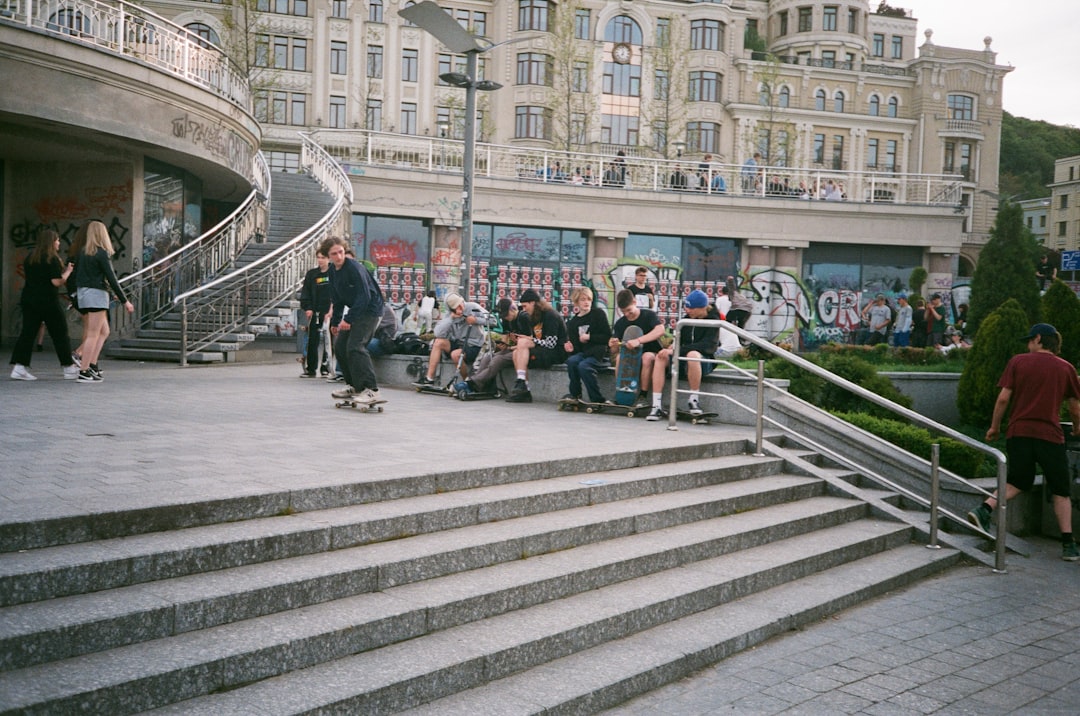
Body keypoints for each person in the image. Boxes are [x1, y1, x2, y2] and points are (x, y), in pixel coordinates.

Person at [968, 324, 1080, 562]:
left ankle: (985, 509)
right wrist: (1078, 428)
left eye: (1030, 340)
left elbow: (1003, 399)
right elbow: (1074, 407)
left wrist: (994, 427)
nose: (1028, 345)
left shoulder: (1018, 362)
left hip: (1019, 432)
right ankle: (1068, 545)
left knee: (1018, 480)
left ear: (1039, 339)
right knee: (1061, 490)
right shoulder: (1066, 368)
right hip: (1050, 435)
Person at [9, 230, 79, 381]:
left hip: (29, 299)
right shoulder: (51, 259)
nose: (59, 243)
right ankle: (68, 367)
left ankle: (19, 367)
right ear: (51, 242)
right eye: (57, 240)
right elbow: (56, 282)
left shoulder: (31, 258)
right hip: (48, 301)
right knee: (60, 333)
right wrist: (68, 272)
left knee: (28, 333)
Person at [324, 236, 385, 404]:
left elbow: (364, 296)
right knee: (340, 346)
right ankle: (353, 385)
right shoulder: (332, 272)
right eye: (334, 254)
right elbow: (337, 299)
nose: (339, 257)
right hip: (356, 310)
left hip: (371, 309)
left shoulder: (354, 268)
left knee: (356, 346)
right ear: (328, 256)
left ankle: (371, 390)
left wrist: (348, 319)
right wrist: (336, 322)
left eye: (341, 252)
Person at [74, 221, 134, 382]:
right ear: (103, 234)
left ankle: (92, 365)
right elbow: (112, 277)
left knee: (104, 331)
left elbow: (79, 276)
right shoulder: (101, 253)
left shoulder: (82, 253)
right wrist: (125, 301)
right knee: (94, 334)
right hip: (97, 295)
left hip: (84, 294)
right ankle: (84, 370)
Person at [648, 290, 720, 421]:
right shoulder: (686, 320)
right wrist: (672, 347)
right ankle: (656, 405)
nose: (688, 310)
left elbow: (707, 346)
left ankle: (694, 400)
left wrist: (677, 351)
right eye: (687, 307)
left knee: (692, 354)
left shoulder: (714, 322)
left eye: (692, 308)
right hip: (682, 359)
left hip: (703, 361)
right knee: (660, 357)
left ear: (702, 308)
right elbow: (679, 342)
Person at [507, 288, 567, 403]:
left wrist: (531, 340)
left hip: (556, 353)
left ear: (533, 303)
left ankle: (521, 382)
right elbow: (535, 340)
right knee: (517, 351)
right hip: (543, 351)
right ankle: (525, 390)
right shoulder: (533, 317)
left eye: (525, 306)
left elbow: (551, 344)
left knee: (523, 343)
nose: (524, 309)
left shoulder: (550, 315)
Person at [414, 293, 487, 387]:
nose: (461, 308)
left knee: (455, 355)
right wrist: (451, 319)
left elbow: (493, 320)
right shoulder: (449, 315)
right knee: (438, 342)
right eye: (457, 307)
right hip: (458, 343)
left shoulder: (473, 307)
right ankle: (429, 379)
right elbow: (438, 333)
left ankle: (468, 383)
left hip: (473, 345)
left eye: (461, 305)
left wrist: (476, 320)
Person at [608, 288, 667, 405]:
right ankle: (621, 392)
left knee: (647, 357)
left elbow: (660, 330)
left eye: (629, 310)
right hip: (631, 356)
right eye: (623, 311)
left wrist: (639, 341)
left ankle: (643, 396)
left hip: (651, 352)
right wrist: (612, 345)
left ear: (634, 302)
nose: (626, 314)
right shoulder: (620, 323)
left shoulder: (648, 315)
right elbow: (614, 351)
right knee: (620, 358)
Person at [461, 298, 526, 396]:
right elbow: (505, 338)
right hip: (511, 349)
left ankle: (473, 383)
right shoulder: (506, 320)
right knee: (487, 357)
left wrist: (510, 347)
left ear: (513, 309)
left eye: (507, 315)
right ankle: (480, 385)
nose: (507, 318)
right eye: (504, 316)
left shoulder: (523, 318)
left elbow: (527, 342)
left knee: (497, 360)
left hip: (522, 351)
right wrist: (502, 345)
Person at [562, 286, 613, 405]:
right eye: (583, 300)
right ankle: (575, 394)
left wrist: (590, 337)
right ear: (576, 303)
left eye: (588, 299)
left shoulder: (598, 314)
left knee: (583, 366)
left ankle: (597, 399)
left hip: (599, 354)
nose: (586, 302)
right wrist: (570, 349)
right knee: (572, 361)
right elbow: (576, 349)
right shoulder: (573, 322)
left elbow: (607, 337)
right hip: (584, 353)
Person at [298, 249, 332, 377]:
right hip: (315, 311)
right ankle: (311, 368)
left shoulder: (333, 273)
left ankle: (326, 368)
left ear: (328, 259)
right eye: (318, 257)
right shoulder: (312, 274)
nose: (320, 260)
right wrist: (308, 308)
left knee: (329, 340)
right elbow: (306, 292)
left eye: (323, 257)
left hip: (329, 311)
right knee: (313, 340)